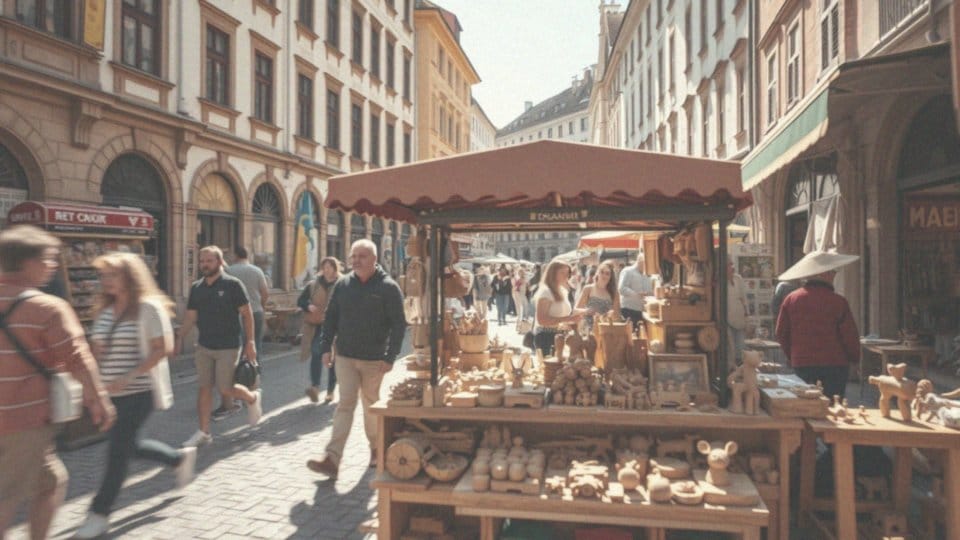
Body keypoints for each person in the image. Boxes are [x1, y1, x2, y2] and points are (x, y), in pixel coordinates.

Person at [0, 226, 116, 540]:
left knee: (50, 481)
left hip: (21, 422)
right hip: (22, 420)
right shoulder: (47, 307)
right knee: (7, 496)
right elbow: (77, 357)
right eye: (48, 259)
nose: (52, 266)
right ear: (27, 263)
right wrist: (99, 399)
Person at [74, 254, 196, 539]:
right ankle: (178, 459)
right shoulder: (104, 312)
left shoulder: (147, 310)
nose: (106, 281)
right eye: (103, 275)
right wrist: (90, 388)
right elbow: (95, 354)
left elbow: (162, 349)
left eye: (112, 274)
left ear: (130, 277)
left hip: (139, 393)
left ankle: (98, 513)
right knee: (129, 447)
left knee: (117, 452)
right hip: (109, 396)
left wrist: (129, 376)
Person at [307, 240, 406, 478]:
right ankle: (332, 459)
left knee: (371, 405)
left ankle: (376, 449)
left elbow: (399, 325)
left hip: (374, 359)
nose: (356, 261)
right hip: (345, 356)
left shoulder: (388, 287)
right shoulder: (343, 284)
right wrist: (325, 347)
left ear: (374, 259)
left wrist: (390, 356)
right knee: (345, 405)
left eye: (361, 256)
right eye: (353, 257)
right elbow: (330, 317)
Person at [174, 246, 263, 447]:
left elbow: (247, 314)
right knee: (204, 388)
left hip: (228, 346)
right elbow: (191, 316)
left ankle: (251, 397)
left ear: (219, 262)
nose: (205, 265)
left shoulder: (233, 285)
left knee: (225, 388)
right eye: (202, 261)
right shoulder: (197, 288)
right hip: (204, 346)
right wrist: (179, 336)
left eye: (209, 261)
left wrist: (250, 342)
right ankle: (204, 432)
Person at [775, 251, 861, 400]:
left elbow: (781, 333)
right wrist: (855, 358)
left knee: (805, 406)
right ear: (824, 274)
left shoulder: (791, 299)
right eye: (833, 271)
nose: (835, 275)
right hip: (834, 364)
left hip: (802, 363)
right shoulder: (838, 302)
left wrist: (793, 355)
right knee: (834, 408)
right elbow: (849, 335)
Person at [220, 247, 269, 419]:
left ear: (235, 255)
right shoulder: (257, 271)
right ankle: (255, 381)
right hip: (256, 312)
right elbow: (265, 292)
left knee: (238, 349)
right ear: (248, 256)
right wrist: (261, 305)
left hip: (236, 313)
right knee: (256, 346)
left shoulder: (230, 270)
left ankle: (239, 384)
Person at [298, 257, 341, 403]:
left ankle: (330, 390)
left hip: (336, 327)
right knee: (316, 353)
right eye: (325, 267)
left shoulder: (342, 284)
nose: (327, 270)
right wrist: (308, 306)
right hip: (317, 326)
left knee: (333, 358)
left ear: (335, 268)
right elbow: (301, 301)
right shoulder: (313, 285)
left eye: (330, 267)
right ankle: (315, 387)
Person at [532, 260, 587, 355]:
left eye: (567, 273)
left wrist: (586, 311)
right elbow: (542, 320)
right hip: (546, 337)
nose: (566, 276)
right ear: (552, 273)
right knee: (551, 367)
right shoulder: (546, 292)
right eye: (562, 273)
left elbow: (566, 311)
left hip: (560, 334)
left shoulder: (561, 290)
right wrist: (569, 319)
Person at [576, 260, 621, 331]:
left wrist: (611, 315)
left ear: (610, 277)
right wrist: (586, 311)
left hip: (605, 330)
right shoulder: (588, 289)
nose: (604, 275)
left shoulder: (615, 293)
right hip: (588, 330)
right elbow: (576, 310)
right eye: (602, 272)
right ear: (597, 273)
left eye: (607, 273)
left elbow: (617, 317)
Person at [618, 254, 654, 328]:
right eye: (646, 263)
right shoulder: (627, 271)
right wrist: (635, 294)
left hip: (644, 312)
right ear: (640, 262)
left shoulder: (647, 274)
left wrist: (650, 293)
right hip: (629, 310)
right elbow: (621, 288)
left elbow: (650, 291)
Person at [726, 257, 748, 364]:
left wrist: (747, 314)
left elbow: (743, 298)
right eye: (729, 265)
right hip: (727, 320)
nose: (732, 267)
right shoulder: (720, 282)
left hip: (739, 318)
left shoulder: (738, 279)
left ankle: (741, 367)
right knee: (730, 349)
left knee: (741, 347)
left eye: (732, 264)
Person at [512, 267, 529, 331]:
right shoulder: (518, 279)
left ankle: (520, 327)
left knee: (524, 310)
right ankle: (519, 327)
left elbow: (527, 287)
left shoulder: (523, 279)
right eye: (520, 272)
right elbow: (515, 288)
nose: (521, 273)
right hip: (519, 295)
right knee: (520, 311)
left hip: (522, 295)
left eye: (522, 272)